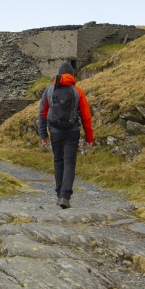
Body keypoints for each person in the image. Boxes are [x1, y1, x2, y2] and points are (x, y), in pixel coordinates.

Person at [37, 61, 93, 209]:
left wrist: (43, 134)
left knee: (58, 161)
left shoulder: (49, 90)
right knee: (69, 162)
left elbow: (42, 114)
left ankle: (58, 194)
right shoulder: (77, 91)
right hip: (72, 131)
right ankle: (65, 196)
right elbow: (86, 116)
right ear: (73, 76)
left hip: (55, 131)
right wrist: (89, 137)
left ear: (59, 74)